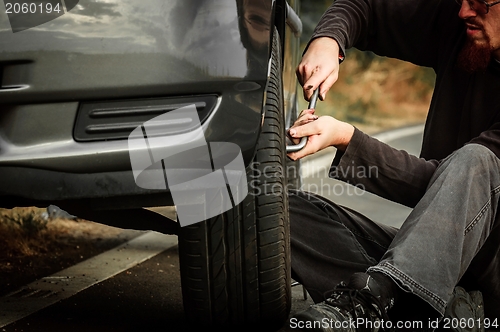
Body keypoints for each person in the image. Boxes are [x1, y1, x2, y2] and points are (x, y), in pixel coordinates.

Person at [286, 0, 500, 330]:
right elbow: (365, 7)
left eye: (480, 3)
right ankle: (429, 308)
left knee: (477, 160)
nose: (464, 11)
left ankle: (374, 301)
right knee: (282, 212)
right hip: (426, 257)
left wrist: (346, 138)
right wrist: (328, 41)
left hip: (491, 268)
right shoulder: (462, 28)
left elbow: (451, 185)